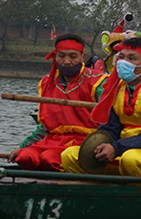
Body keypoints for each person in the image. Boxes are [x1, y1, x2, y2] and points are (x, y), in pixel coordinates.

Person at [60, 37, 141, 181]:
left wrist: (116, 148)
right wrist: (99, 147)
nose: (123, 62)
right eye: (121, 57)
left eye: (131, 58)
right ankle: (99, 190)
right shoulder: (118, 86)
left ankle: (139, 196)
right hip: (122, 148)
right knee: (69, 156)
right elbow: (110, 128)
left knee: (131, 159)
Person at [10, 34, 107, 171]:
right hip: (54, 140)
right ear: (55, 56)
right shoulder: (47, 83)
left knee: (49, 159)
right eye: (61, 56)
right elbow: (45, 125)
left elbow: (110, 122)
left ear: (82, 57)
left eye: (73, 56)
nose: (67, 61)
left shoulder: (98, 83)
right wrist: (23, 146)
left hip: (86, 142)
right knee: (25, 157)